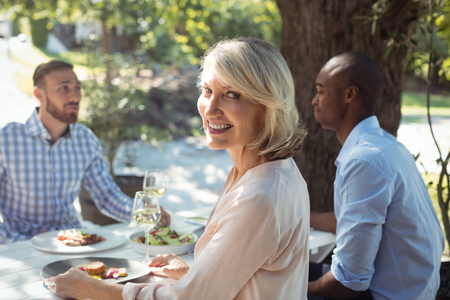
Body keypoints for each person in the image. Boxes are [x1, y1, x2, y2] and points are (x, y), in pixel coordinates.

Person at [45, 37, 310, 299]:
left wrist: (90, 288)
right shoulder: (274, 172)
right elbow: (252, 281)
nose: (211, 108)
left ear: (268, 106)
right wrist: (193, 273)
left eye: (232, 94)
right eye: (207, 91)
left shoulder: (258, 198)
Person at [308, 52, 445, 300]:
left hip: (386, 295)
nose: (313, 101)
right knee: (273, 269)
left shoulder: (364, 160)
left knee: (264, 284)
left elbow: (348, 282)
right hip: (414, 289)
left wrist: (288, 290)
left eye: (321, 91)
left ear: (350, 95)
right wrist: (303, 217)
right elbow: (351, 222)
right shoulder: (386, 146)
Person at [0, 60, 170, 243]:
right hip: (21, 246)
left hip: (73, 242)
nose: (74, 97)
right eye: (64, 88)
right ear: (39, 94)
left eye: (77, 88)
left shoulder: (85, 140)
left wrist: (143, 213)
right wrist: (18, 240)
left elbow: (107, 195)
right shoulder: (7, 140)